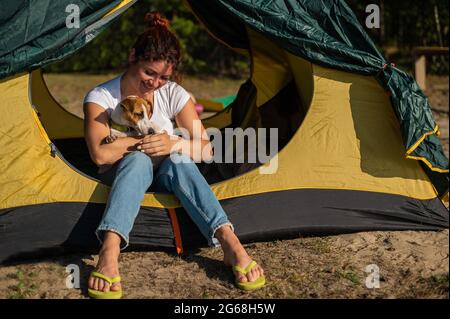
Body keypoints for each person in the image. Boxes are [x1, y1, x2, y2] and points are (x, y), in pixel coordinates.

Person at [83, 12, 265, 299]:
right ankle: (109, 249)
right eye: (149, 73)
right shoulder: (102, 97)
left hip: (170, 175)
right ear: (133, 56)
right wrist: (142, 142)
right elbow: (100, 155)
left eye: (163, 77)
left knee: (179, 159)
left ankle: (229, 242)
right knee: (138, 159)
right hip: (126, 174)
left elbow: (206, 148)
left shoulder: (173, 94)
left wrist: (171, 143)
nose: (155, 83)